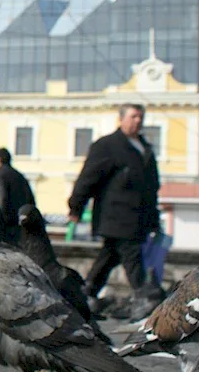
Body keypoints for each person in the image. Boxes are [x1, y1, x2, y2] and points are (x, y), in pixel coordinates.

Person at [67, 103, 161, 318]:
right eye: (133, 116)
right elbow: (88, 177)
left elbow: (151, 187)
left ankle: (85, 294)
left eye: (140, 117)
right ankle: (143, 297)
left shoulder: (145, 148)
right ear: (121, 119)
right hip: (116, 215)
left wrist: (154, 218)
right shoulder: (108, 145)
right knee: (131, 254)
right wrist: (76, 205)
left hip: (139, 217)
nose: (138, 121)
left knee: (109, 256)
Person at [0, 147, 36, 244]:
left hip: (7, 220)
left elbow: (1, 196)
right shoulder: (19, 175)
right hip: (20, 221)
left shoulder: (0, 173)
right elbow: (30, 198)